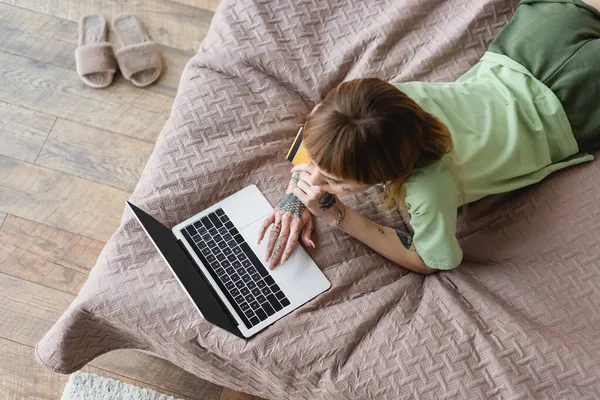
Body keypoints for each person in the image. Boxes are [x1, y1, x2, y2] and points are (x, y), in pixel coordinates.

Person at [257, 0, 600, 274]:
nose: (312, 176)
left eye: (332, 180)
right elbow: (323, 124)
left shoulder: (427, 189)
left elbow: (435, 260)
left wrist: (335, 212)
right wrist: (295, 198)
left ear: (380, 175)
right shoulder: (381, 103)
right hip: (530, 45)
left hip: (573, 104)